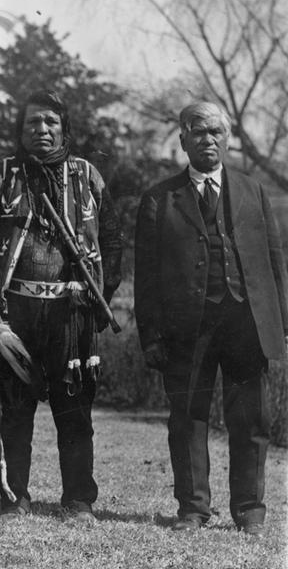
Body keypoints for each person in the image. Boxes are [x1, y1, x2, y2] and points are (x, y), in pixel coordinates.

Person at [135, 102, 287, 536]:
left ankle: (250, 510)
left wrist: (282, 325)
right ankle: (193, 509)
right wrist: (151, 336)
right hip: (186, 329)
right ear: (182, 138)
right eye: (199, 132)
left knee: (251, 419)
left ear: (228, 137)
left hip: (247, 325)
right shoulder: (160, 199)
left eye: (217, 131)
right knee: (186, 419)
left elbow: (274, 263)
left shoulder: (253, 191)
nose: (209, 139)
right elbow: (144, 277)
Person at [0, 89, 122, 521]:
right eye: (33, 122)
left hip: (73, 313)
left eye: (50, 122)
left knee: (74, 410)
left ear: (64, 129)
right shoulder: (3, 176)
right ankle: (15, 497)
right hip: (15, 312)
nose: (42, 129)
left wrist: (102, 296)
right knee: (14, 412)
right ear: (21, 130)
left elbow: (112, 241)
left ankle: (77, 500)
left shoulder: (87, 176)